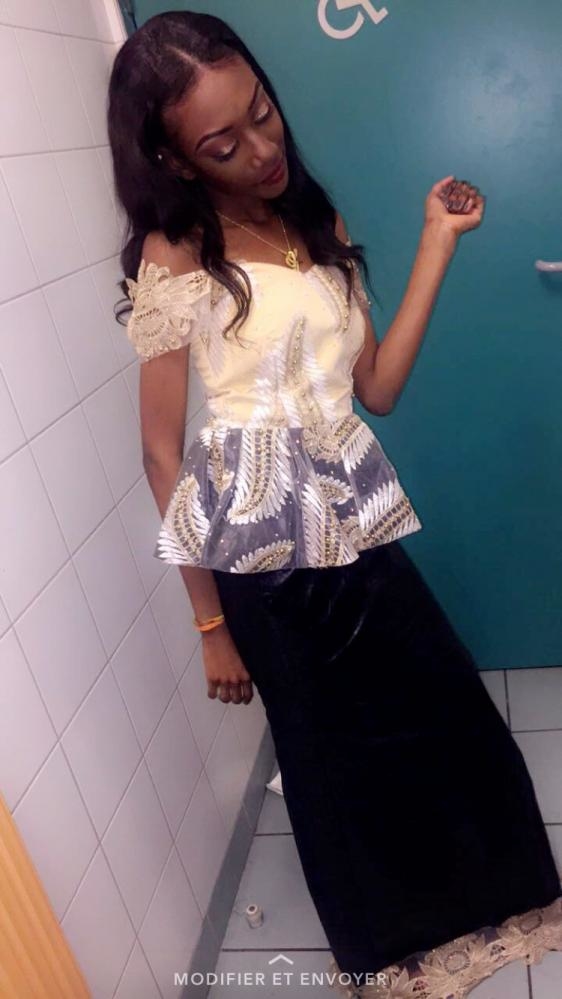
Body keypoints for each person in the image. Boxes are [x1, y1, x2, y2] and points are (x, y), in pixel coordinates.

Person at [107, 11, 562, 997]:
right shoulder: (176, 253)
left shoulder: (314, 222)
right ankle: (388, 952)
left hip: (351, 518)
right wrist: (209, 624)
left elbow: (377, 388)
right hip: (262, 560)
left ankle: (487, 901)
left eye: (261, 113)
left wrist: (437, 241)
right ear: (174, 159)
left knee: (442, 710)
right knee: (331, 764)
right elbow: (158, 451)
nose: (261, 148)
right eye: (222, 144)